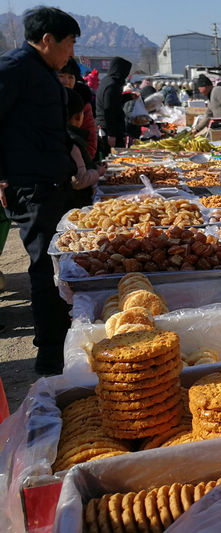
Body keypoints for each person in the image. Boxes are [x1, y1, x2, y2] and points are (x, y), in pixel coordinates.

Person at [0, 6, 80, 375]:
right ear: (47, 40)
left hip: (51, 184)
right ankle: (50, 354)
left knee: (58, 263)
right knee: (43, 269)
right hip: (31, 187)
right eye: (69, 43)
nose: (72, 52)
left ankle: (62, 339)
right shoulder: (15, 68)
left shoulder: (43, 71)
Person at [65, 88, 105, 207]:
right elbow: (79, 180)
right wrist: (98, 172)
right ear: (79, 116)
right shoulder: (73, 142)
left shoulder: (58, 136)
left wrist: (93, 166)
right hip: (75, 202)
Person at [59, 57, 97, 159]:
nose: (66, 81)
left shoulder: (83, 101)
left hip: (80, 158)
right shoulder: (46, 100)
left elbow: (91, 136)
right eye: (61, 76)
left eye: (71, 77)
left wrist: (85, 162)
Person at [95, 56, 132, 151]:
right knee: (114, 159)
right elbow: (109, 110)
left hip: (105, 126)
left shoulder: (106, 81)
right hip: (108, 129)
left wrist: (129, 97)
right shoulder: (112, 85)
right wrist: (112, 134)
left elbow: (114, 102)